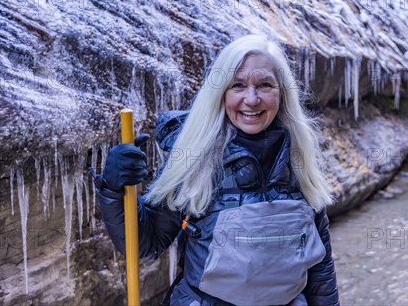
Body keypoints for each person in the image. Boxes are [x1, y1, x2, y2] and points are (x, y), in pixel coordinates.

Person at [96, 35, 340, 306]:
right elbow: (146, 242)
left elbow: (320, 269)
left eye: (265, 85)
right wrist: (115, 189)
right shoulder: (194, 156)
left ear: (281, 93)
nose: (252, 99)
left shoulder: (300, 159)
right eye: (238, 85)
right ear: (221, 93)